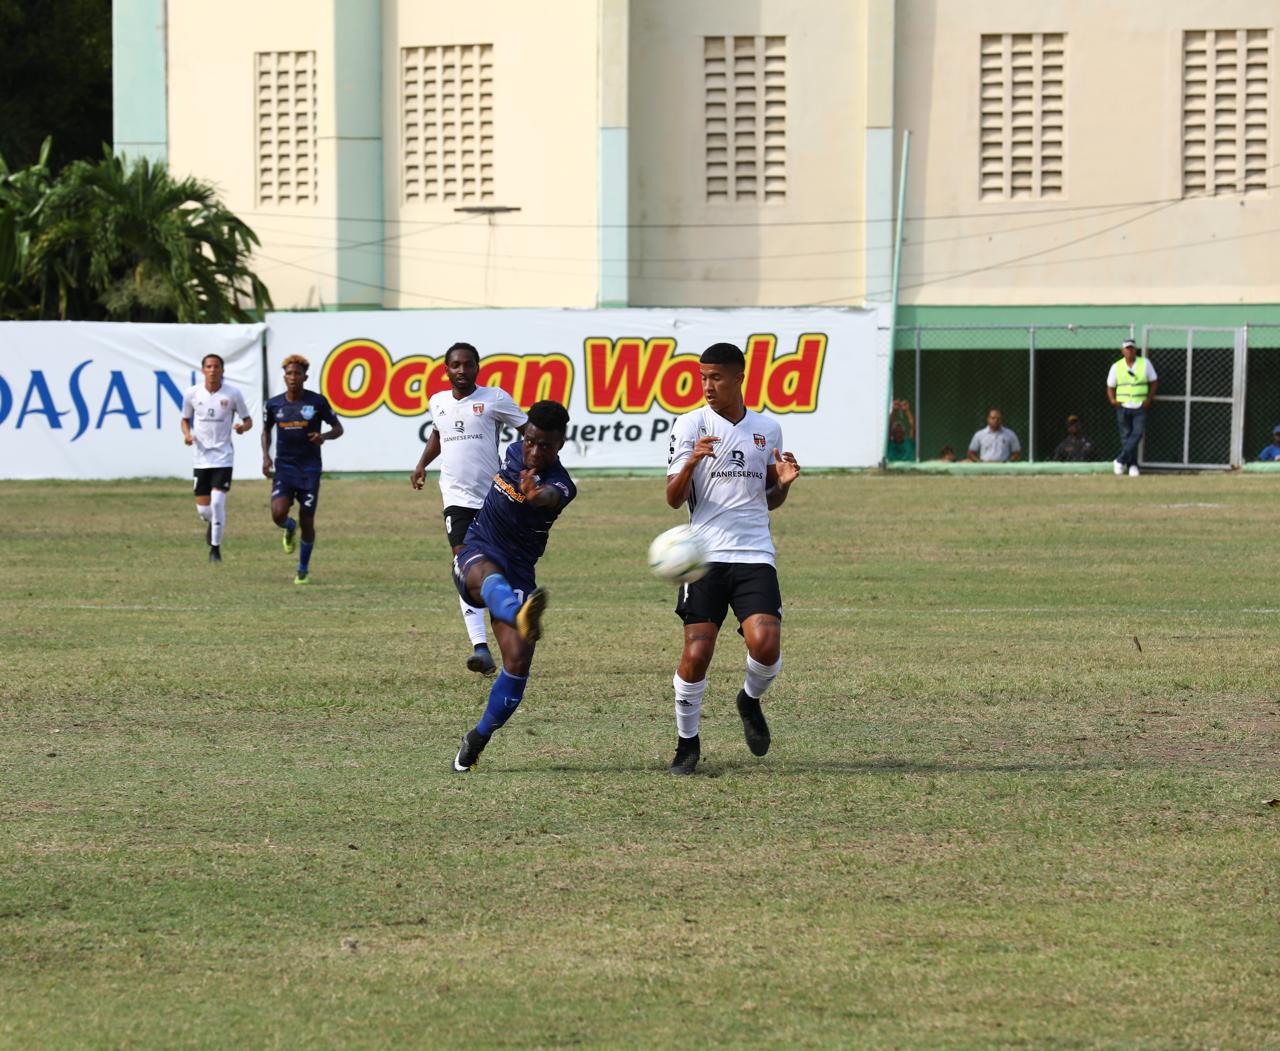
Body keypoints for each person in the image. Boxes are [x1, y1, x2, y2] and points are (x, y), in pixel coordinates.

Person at [663, 342, 801, 775]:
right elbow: (673, 498)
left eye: (716, 378)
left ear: (739, 377)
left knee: (766, 644)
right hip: (704, 555)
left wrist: (783, 484)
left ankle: (749, 699)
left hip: (754, 553)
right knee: (697, 651)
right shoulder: (690, 425)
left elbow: (768, 499)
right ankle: (687, 744)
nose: (707, 386)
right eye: (702, 377)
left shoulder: (767, 429)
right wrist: (691, 462)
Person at [450, 400, 577, 773]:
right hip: (477, 551)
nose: (534, 451)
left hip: (519, 572)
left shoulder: (562, 486)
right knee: (488, 577)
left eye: (545, 446)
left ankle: (478, 737)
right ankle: (518, 613)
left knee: (518, 663)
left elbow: (550, 496)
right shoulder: (512, 452)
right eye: (530, 441)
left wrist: (537, 495)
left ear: (560, 445)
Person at [411, 342, 528, 676]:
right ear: (446, 369)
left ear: (478, 367)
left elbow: (528, 431)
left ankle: (514, 634)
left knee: (498, 569)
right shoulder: (438, 402)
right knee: (464, 565)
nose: (462, 370)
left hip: (494, 497)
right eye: (456, 365)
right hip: (456, 499)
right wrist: (421, 464)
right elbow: (438, 435)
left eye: (468, 364)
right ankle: (480, 647)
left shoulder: (494, 398)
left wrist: (528, 467)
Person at [261, 355, 344, 584]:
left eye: (297, 373)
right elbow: (266, 430)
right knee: (278, 514)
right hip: (284, 468)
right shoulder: (274, 404)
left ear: (305, 377)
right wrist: (266, 457)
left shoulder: (317, 402)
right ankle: (289, 527)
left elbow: (338, 428)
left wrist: (323, 436)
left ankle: (302, 570)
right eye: (289, 373)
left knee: (307, 521)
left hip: (309, 470)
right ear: (284, 377)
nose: (293, 377)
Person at [180, 353, 252, 563]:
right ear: (203, 370)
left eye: (216, 366)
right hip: (201, 458)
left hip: (223, 457)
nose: (213, 370)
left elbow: (248, 420)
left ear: (222, 370)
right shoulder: (192, 393)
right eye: (209, 367)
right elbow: (184, 419)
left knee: (218, 503)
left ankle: (215, 549)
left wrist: (242, 427)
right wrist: (187, 435)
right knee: (204, 511)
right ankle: (214, 523)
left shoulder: (232, 393)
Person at [1107, 338, 1158, 476]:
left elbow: (1154, 382)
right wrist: (1112, 400)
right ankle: (1132, 465)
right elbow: (1110, 386)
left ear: (1136, 350)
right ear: (1122, 351)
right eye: (1127, 348)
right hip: (1123, 405)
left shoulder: (1145, 363)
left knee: (1138, 433)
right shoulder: (1116, 366)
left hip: (1139, 405)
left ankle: (1120, 460)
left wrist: (1148, 399)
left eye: (1132, 348)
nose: (1130, 351)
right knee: (1125, 436)